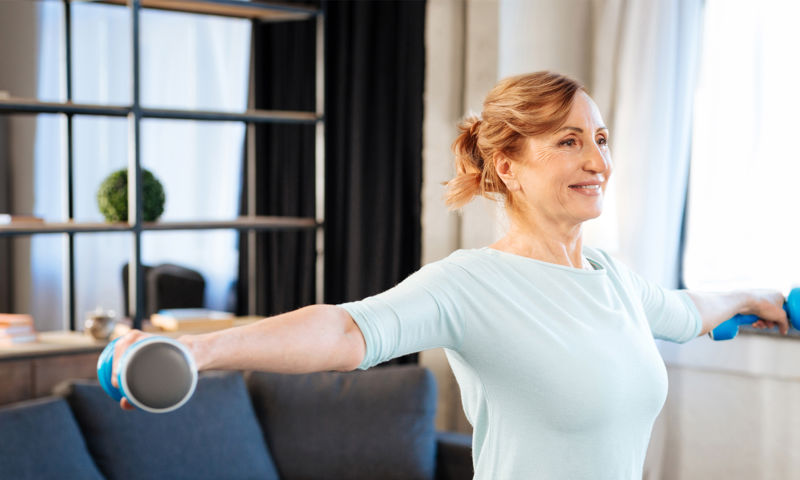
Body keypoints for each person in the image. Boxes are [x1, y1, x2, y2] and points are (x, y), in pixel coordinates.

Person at [111, 71, 789, 479]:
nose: (598, 161)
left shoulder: (613, 279)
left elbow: (687, 311)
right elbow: (345, 331)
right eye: (569, 141)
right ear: (508, 167)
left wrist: (760, 298)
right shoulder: (471, 284)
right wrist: (198, 352)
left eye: (601, 139)